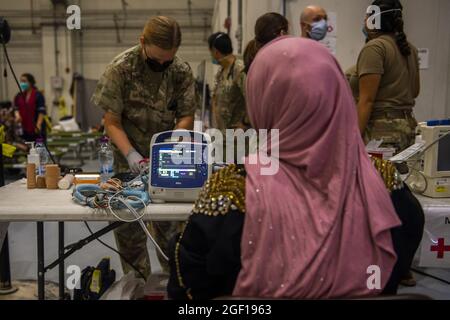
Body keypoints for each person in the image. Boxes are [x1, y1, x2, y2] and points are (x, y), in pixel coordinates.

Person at [167, 37, 423, 300]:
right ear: (340, 94)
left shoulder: (233, 189)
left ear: (262, 99)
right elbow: (398, 264)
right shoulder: (384, 183)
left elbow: (188, 285)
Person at [92, 16, 199, 278]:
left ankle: (176, 289)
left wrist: (171, 145)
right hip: (126, 164)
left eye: (167, 61)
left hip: (167, 162)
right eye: (155, 61)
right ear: (142, 42)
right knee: (131, 239)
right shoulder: (120, 69)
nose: (161, 66)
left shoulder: (181, 71)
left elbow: (186, 115)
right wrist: (131, 155)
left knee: (172, 237)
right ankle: (137, 289)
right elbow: (111, 120)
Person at [355, 0, 420, 154]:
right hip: (408, 128)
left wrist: (354, 138)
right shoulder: (410, 49)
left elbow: (367, 101)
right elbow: (415, 91)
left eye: (366, 16)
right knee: (401, 177)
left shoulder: (375, 47)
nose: (364, 20)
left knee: (377, 178)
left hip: (382, 131)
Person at [208, 32, 247, 135]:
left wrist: (244, 123)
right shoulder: (221, 72)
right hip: (222, 135)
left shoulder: (239, 69)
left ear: (215, 51)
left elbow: (252, 99)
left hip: (238, 138)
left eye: (211, 52)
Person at [14, 73, 47, 142]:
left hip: (36, 126)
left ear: (31, 82)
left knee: (38, 148)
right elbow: (16, 108)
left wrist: (38, 125)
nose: (22, 83)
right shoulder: (19, 95)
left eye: (24, 81)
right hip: (24, 127)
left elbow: (41, 111)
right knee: (27, 147)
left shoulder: (38, 95)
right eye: (21, 81)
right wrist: (17, 116)